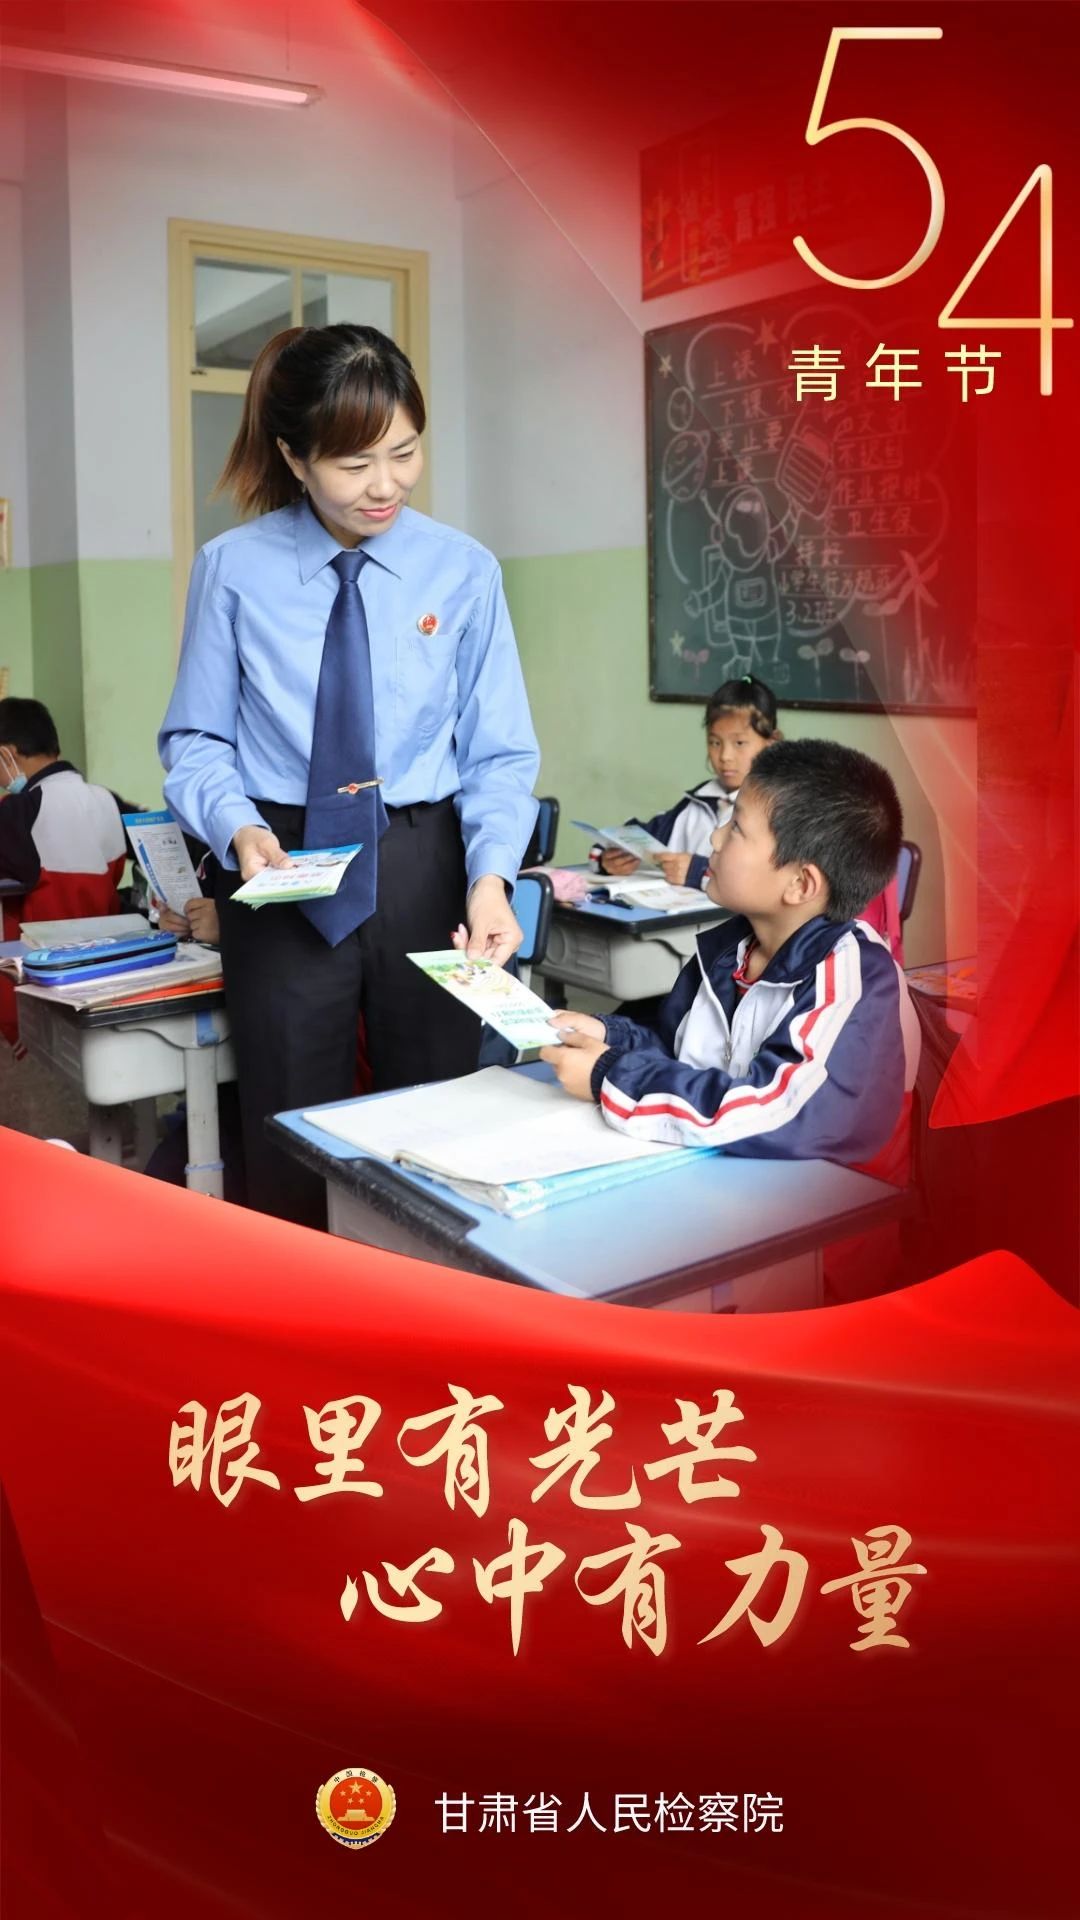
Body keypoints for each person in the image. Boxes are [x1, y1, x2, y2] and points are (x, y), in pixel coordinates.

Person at [159, 323, 540, 1226]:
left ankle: (430, 1299)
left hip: (425, 863)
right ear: (294, 458)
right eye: (354, 463)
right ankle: (302, 1297)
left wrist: (491, 878)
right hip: (283, 862)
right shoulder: (232, 571)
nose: (386, 485)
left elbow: (498, 753)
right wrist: (238, 826)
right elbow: (196, 738)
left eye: (404, 452)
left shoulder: (464, 571)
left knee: (440, 1120)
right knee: (292, 1122)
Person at [542, 739, 920, 1173]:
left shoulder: (855, 976)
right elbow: (676, 1051)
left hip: (830, 1206)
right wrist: (610, 1035)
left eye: (736, 827)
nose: (715, 837)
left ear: (800, 884)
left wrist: (608, 1075)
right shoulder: (729, 951)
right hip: (723, 1181)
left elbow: (780, 1110)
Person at [595, 673, 780, 890]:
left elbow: (771, 879)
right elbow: (638, 836)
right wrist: (608, 858)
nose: (725, 756)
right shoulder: (698, 802)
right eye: (715, 742)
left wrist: (698, 872)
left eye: (739, 743)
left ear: (771, 743)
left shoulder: (776, 808)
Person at [0, 697, 126, 937]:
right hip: (107, 947)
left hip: (40, 953)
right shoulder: (108, 799)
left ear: (7, 754)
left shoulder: (18, 809)